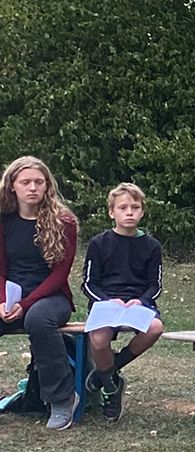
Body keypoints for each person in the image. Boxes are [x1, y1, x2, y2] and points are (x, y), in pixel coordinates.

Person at [0, 155, 79, 430]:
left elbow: (59, 275)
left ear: (47, 186)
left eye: (38, 182)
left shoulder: (64, 222)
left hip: (51, 297)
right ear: (13, 186)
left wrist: (27, 303)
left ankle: (62, 399)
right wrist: (3, 301)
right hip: (11, 294)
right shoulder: (3, 220)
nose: (32, 187)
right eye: (25, 182)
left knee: (38, 318)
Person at [81, 182, 165, 423]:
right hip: (106, 303)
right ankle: (112, 388)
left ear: (142, 211)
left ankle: (107, 373)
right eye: (123, 207)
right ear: (111, 212)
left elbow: (155, 284)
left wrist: (142, 301)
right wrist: (108, 301)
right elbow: (88, 284)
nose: (129, 212)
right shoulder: (99, 243)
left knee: (155, 328)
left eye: (135, 207)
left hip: (138, 304)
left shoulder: (152, 246)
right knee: (98, 339)